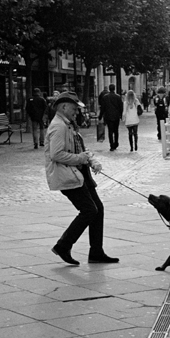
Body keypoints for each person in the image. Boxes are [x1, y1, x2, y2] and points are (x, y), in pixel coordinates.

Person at [44, 91, 118, 266]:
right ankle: (63, 245)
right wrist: (81, 159)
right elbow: (56, 154)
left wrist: (91, 160)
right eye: (74, 108)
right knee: (89, 210)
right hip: (68, 175)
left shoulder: (68, 124)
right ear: (63, 107)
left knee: (97, 208)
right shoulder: (59, 126)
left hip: (80, 174)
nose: (77, 112)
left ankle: (96, 251)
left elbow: (80, 149)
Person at [98, 84, 123, 151]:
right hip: (116, 116)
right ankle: (116, 143)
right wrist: (121, 115)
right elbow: (121, 107)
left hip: (108, 116)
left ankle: (111, 145)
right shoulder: (118, 97)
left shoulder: (105, 97)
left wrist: (100, 116)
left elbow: (103, 108)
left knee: (110, 131)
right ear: (114, 89)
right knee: (116, 131)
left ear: (109, 89)